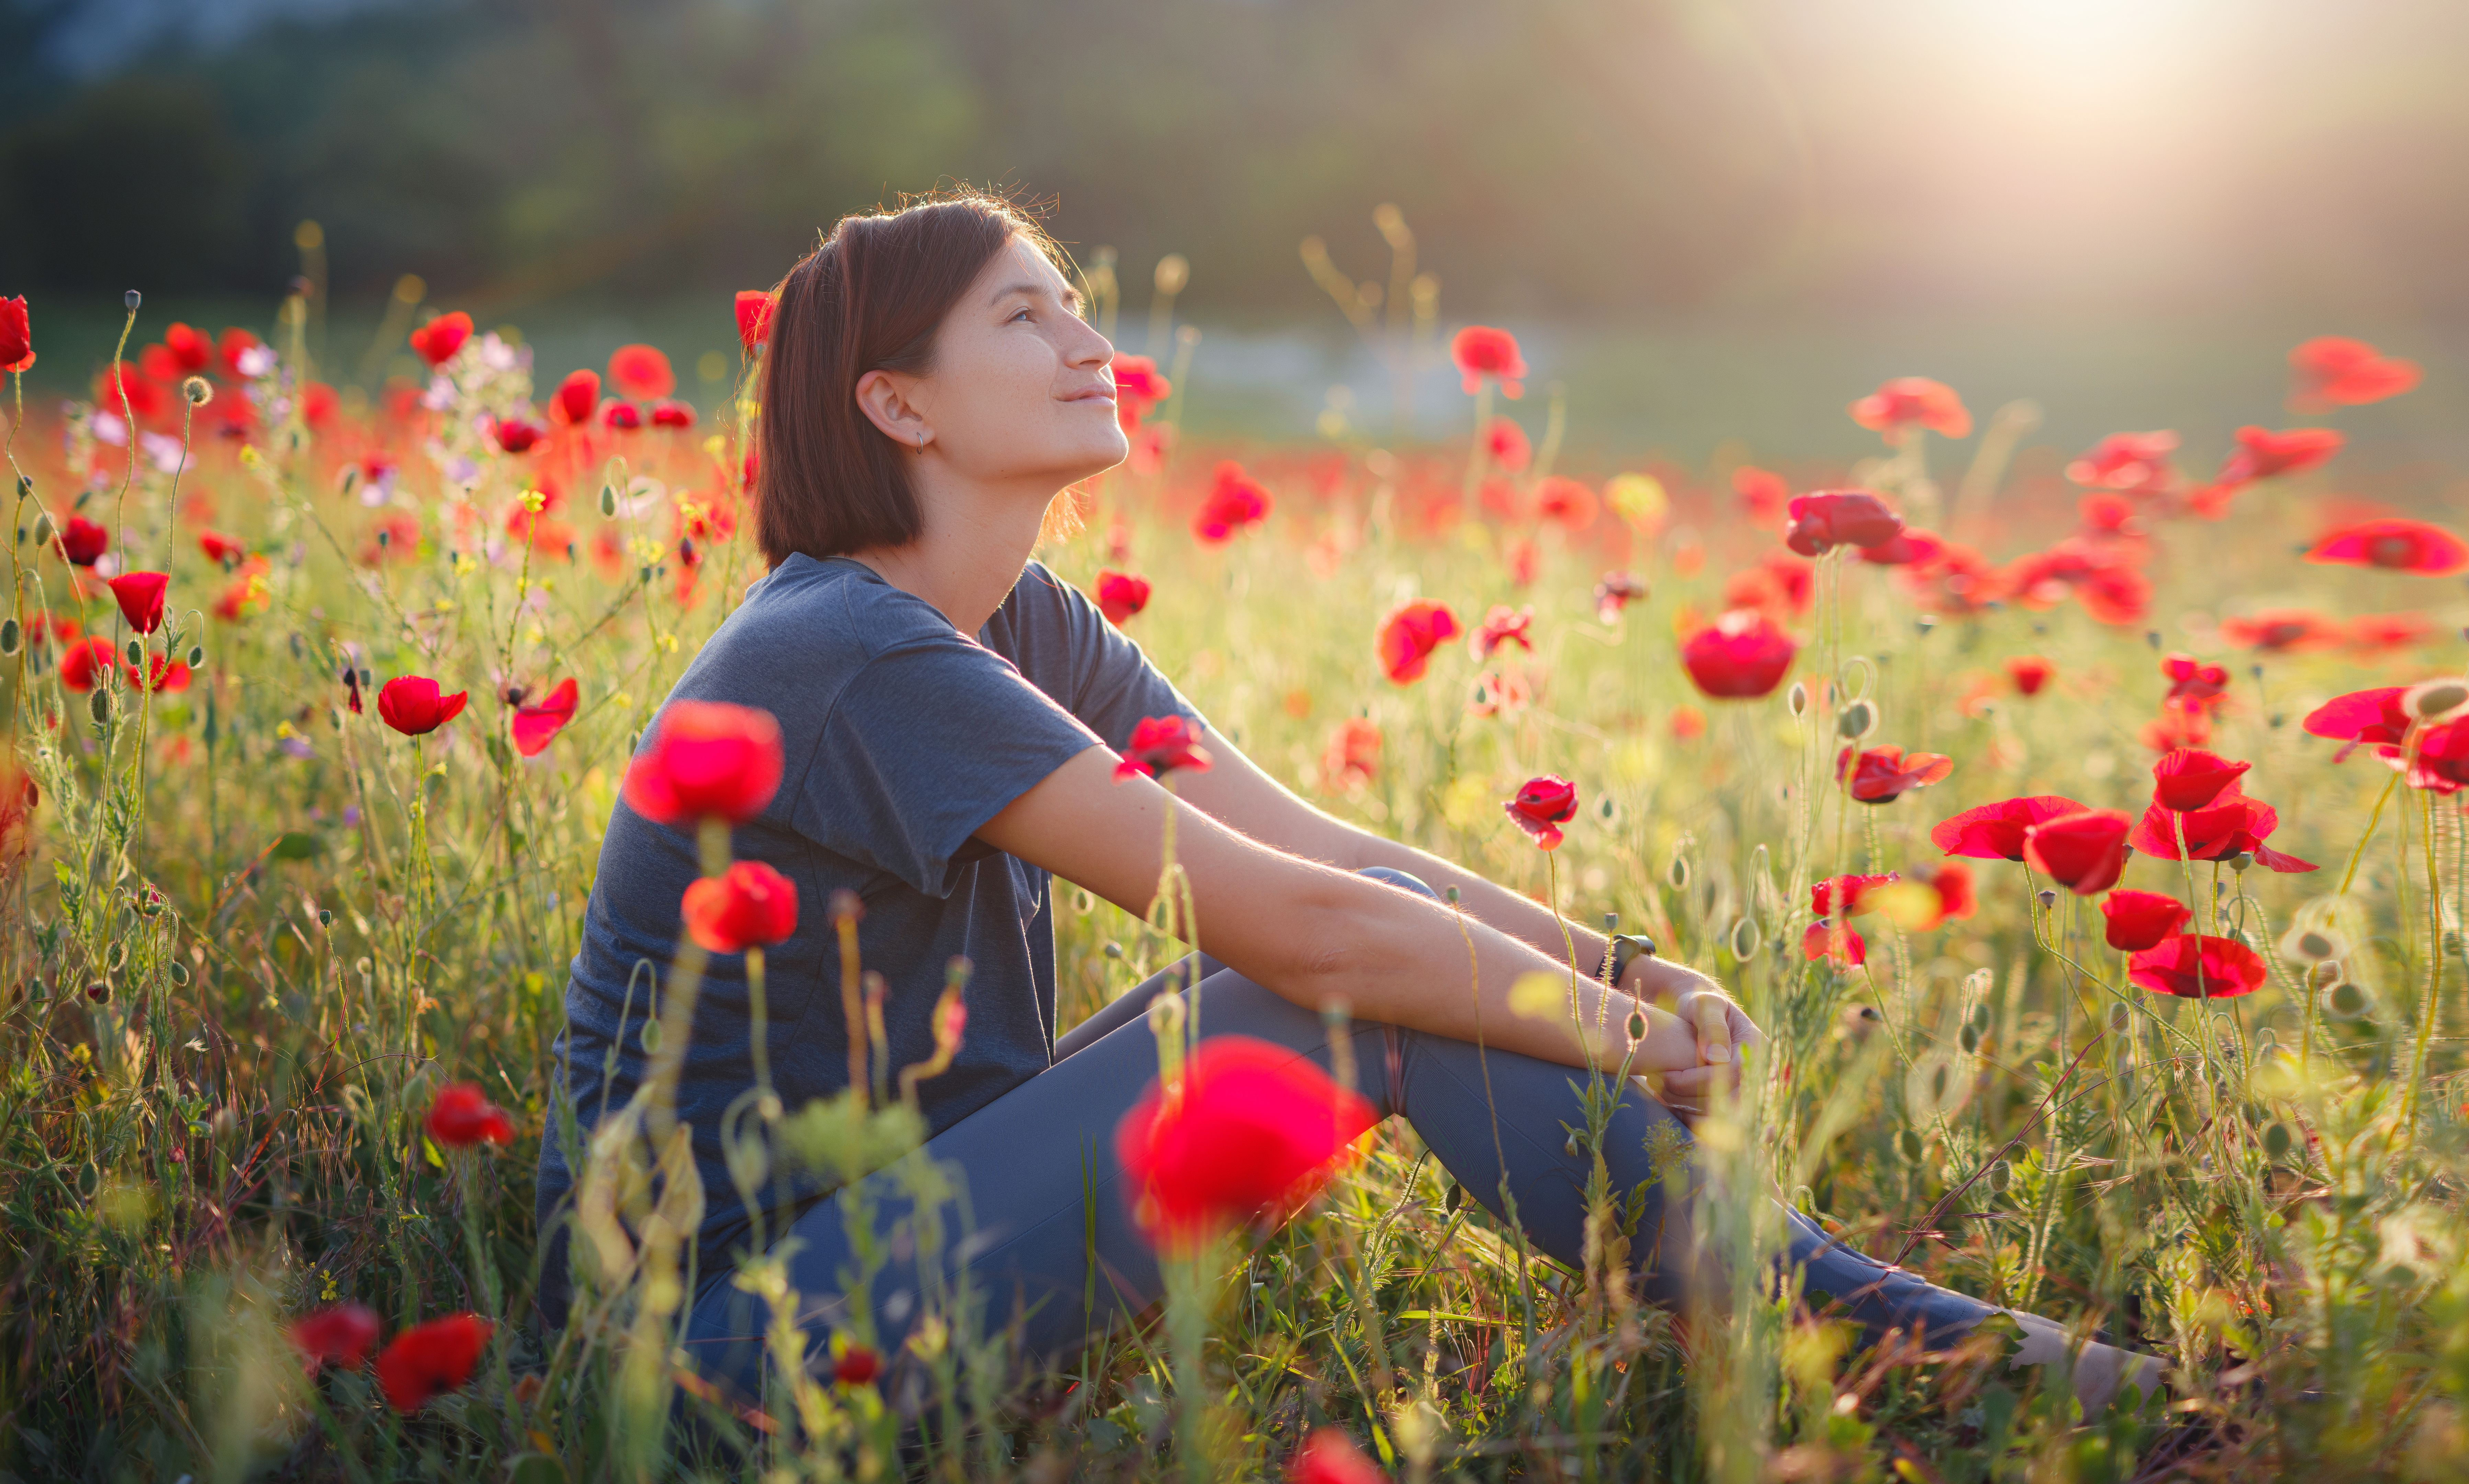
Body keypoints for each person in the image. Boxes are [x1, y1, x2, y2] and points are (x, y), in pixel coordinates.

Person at [532, 188, 2162, 1420]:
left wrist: (1616, 967)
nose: (1094, 346)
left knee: (1389, 958)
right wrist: (1614, 1042)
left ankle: (1841, 1307)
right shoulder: (848, 652)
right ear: (899, 403)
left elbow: (1331, 855)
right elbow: (1309, 931)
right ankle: (1878, 1336)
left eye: (1079, 306)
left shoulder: (1024, 620)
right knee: (1347, 994)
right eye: (1026, 319)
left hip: (893, 1222)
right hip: (705, 1350)